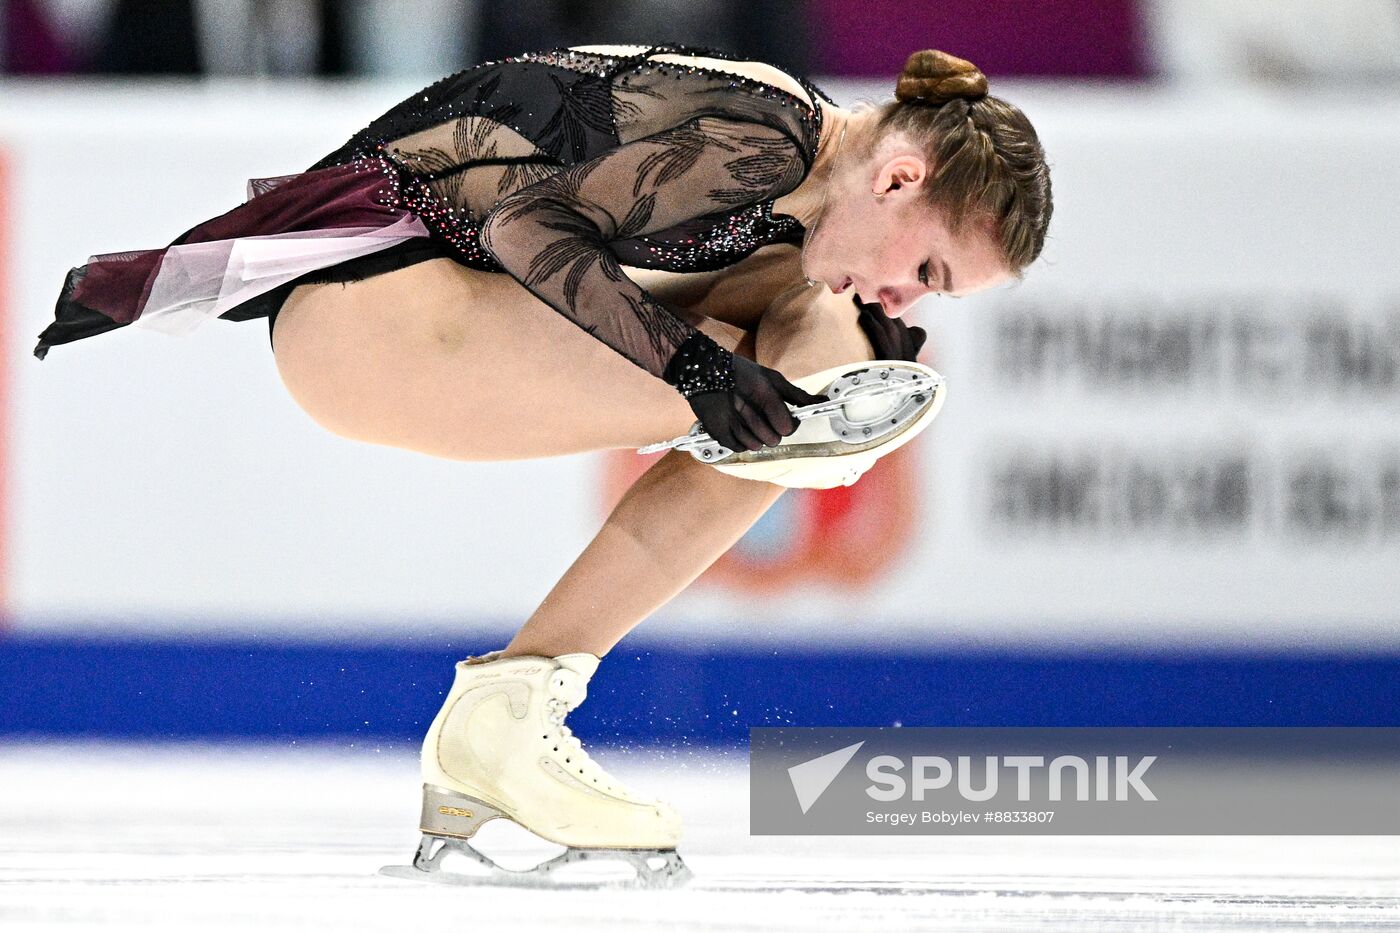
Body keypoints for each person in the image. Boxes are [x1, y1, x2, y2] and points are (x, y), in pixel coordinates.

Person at [33, 43, 1052, 886]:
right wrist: (695, 367)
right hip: (371, 318)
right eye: (926, 269)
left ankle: (510, 717)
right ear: (899, 177)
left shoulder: (807, 177)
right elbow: (529, 225)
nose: (910, 295)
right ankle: (506, 716)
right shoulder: (763, 139)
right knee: (795, 399)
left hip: (415, 314)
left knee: (812, 361)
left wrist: (856, 349)